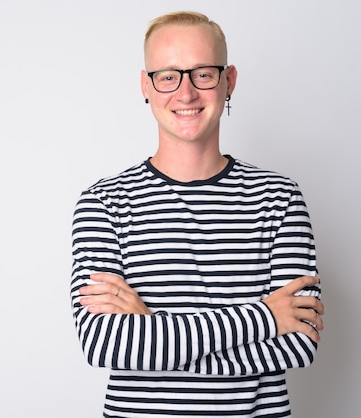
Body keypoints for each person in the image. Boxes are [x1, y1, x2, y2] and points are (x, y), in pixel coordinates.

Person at [70, 11, 324, 418]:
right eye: (168, 75)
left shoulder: (279, 198)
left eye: (203, 73)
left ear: (229, 81)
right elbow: (106, 344)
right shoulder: (104, 202)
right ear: (145, 86)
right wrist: (264, 317)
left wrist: (153, 336)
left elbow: (299, 343)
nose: (185, 93)